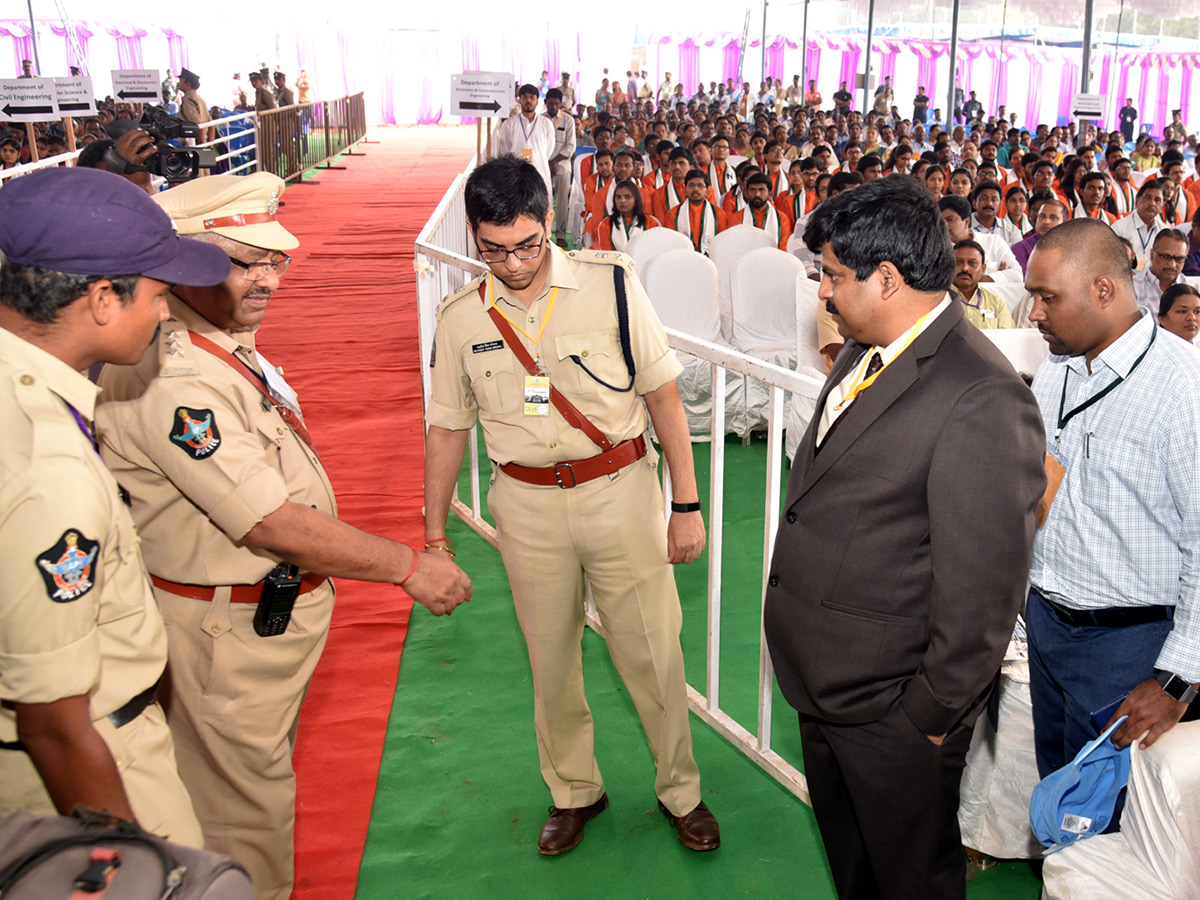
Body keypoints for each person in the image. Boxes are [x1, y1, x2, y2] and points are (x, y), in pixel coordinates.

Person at [94, 173, 472, 900]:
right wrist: (408, 567)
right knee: (247, 833)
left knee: (233, 801)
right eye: (245, 262)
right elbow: (268, 520)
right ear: (185, 266)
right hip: (223, 634)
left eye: (276, 260)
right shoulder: (175, 377)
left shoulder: (218, 342)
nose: (268, 278)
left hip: (249, 621)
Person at [423, 156, 720, 857]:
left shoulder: (610, 283)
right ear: (474, 238)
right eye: (493, 250)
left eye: (526, 245)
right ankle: (573, 792)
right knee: (550, 657)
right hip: (526, 507)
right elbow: (446, 428)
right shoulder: (461, 317)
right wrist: (434, 535)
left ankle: (681, 789)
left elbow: (662, 396)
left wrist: (687, 502)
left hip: (620, 492)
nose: (514, 263)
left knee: (652, 651)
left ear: (548, 221)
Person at [764, 175, 1045, 900]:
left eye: (831, 275)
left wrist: (928, 717)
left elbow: (983, 590)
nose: (822, 292)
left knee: (912, 879)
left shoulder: (980, 394)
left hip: (893, 709)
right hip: (824, 680)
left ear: (885, 279)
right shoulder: (870, 345)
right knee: (857, 868)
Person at [0, 168, 232, 844]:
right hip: (99, 768)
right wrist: (121, 865)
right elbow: (56, 724)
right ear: (103, 297)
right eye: (159, 294)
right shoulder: (50, 466)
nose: (165, 313)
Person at [1024, 218, 1200, 786]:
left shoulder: (1182, 390)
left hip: (1131, 648)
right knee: (1061, 800)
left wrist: (1178, 681)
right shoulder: (1056, 371)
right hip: (1049, 627)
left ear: (1104, 289)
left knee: (1112, 830)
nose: (1034, 314)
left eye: (1047, 297)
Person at [492, 84, 556, 200]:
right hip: (515, 175)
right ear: (519, 100)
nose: (528, 101)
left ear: (537, 101)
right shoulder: (509, 124)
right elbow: (505, 149)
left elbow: (548, 150)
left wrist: (537, 157)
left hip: (539, 171)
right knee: (517, 208)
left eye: (532, 97)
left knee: (540, 208)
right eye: (525, 97)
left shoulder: (546, 124)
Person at [951, 239, 1016, 329]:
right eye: (958, 262)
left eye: (972, 263)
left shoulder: (996, 302)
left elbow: (1008, 338)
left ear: (983, 269)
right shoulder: (937, 300)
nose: (965, 268)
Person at [1132, 228, 1197, 313]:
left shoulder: (1195, 289)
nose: (1172, 265)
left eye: (1179, 259)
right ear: (1152, 254)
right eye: (1166, 257)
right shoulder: (1132, 287)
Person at [544, 88, 575, 247]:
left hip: (562, 165)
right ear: (545, 103)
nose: (554, 106)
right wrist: (546, 163)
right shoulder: (539, 120)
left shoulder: (568, 120)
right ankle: (545, 234)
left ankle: (561, 234)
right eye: (551, 103)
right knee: (543, 201)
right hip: (542, 166)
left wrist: (553, 162)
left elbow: (570, 147)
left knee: (562, 202)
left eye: (557, 104)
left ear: (560, 104)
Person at [1112, 179, 1167, 265]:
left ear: (1162, 207)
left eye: (1157, 200)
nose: (1152, 203)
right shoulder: (1119, 228)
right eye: (1148, 198)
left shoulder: (1164, 232)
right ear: (1137, 200)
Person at [594, 179, 659, 251]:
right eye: (618, 197)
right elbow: (607, 254)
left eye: (627, 197)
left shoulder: (651, 222)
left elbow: (654, 250)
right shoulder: (605, 224)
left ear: (636, 199)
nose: (622, 201)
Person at [1013, 198, 1068, 274]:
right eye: (1042, 216)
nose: (1046, 221)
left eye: (1053, 217)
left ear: (1064, 224)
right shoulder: (1021, 248)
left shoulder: (1071, 249)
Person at [178, 68, 214, 145]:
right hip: (202, 142)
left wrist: (200, 146)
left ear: (187, 84)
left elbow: (196, 124)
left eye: (180, 81)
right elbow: (211, 123)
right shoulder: (199, 99)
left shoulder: (188, 100)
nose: (178, 83)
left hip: (192, 143)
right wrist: (210, 144)